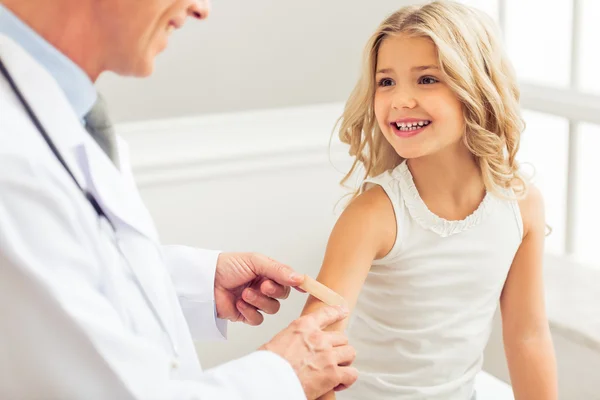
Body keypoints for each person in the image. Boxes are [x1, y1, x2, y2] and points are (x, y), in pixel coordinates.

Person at [0, 0, 357, 399]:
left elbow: (68, 270)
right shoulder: (11, 164)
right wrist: (284, 374)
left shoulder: (62, 112)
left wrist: (197, 282)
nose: (200, 9)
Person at [301, 1, 558, 399]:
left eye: (426, 79)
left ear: (477, 89)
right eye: (386, 82)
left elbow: (528, 336)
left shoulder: (521, 206)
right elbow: (314, 352)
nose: (401, 99)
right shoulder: (373, 214)